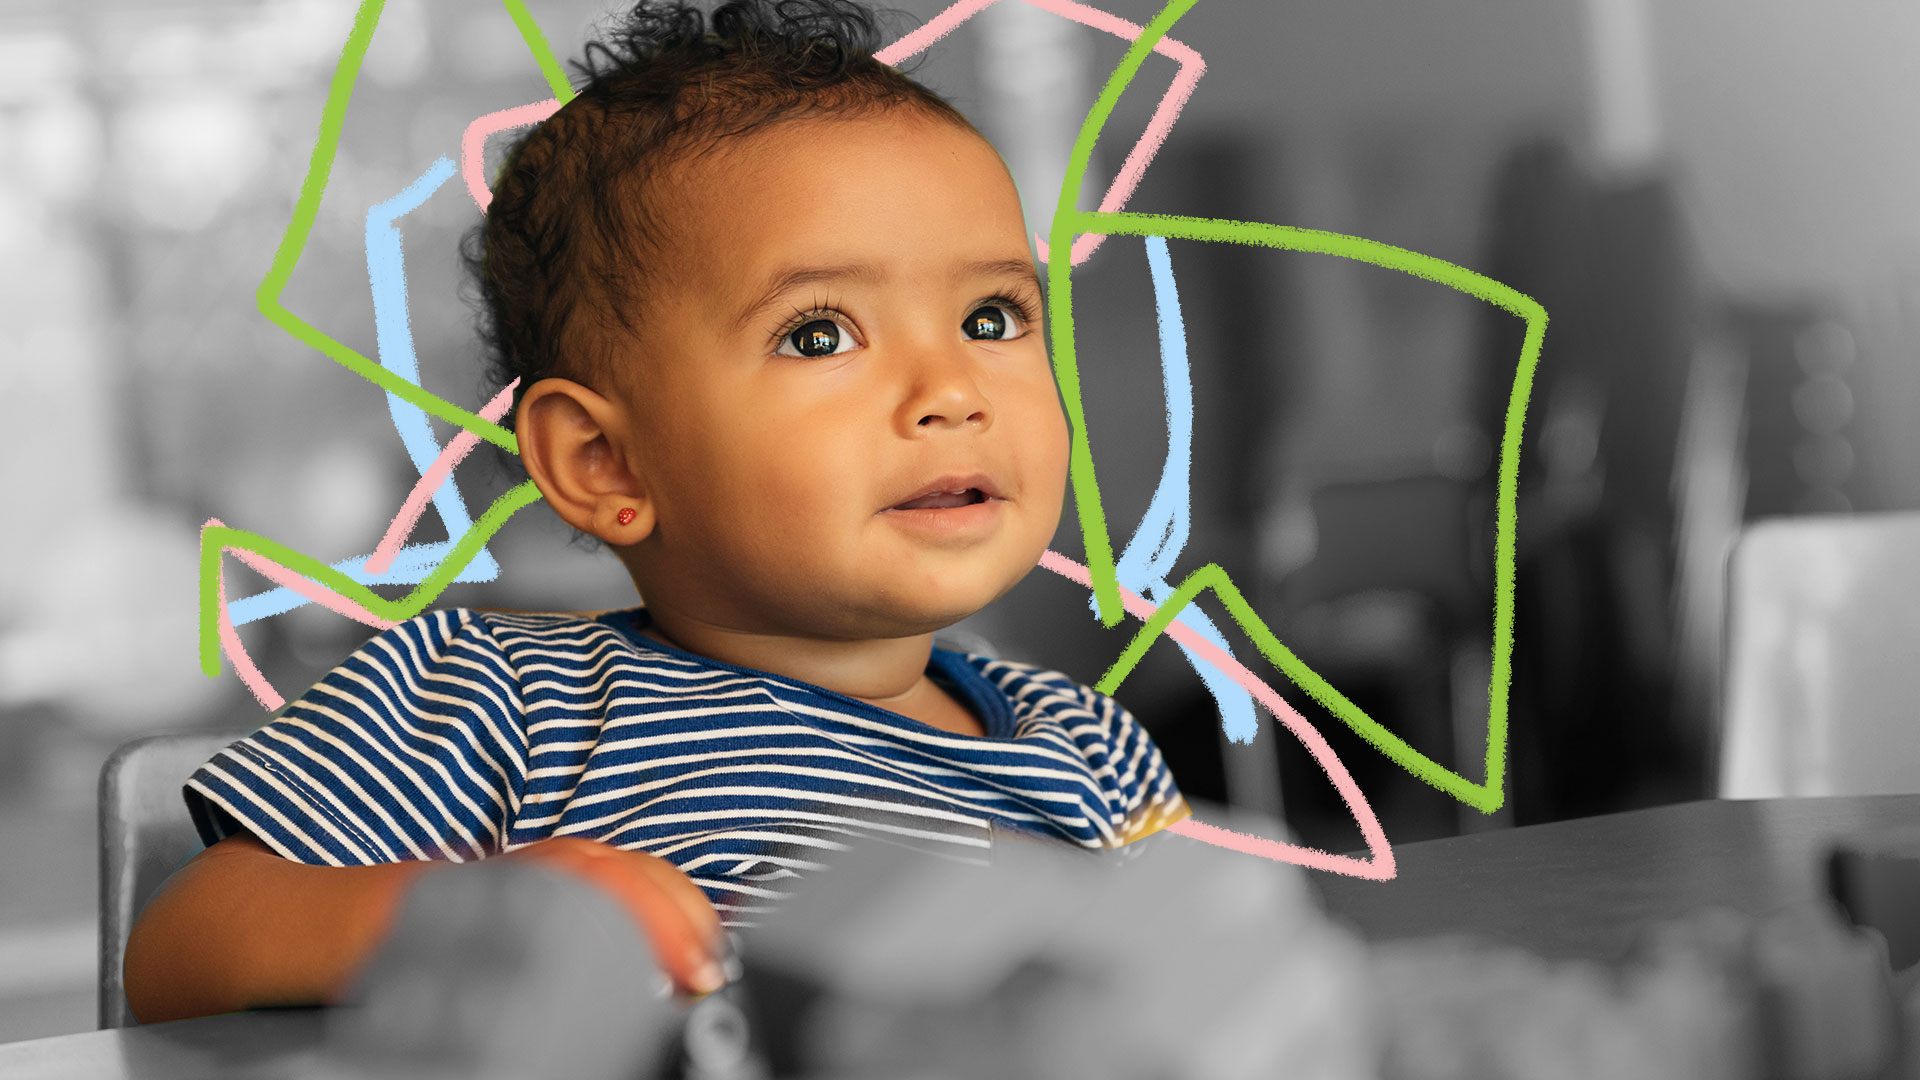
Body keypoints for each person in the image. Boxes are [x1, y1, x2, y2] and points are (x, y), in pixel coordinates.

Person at [123, 0, 1190, 1026]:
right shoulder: (492, 709)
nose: (952, 390)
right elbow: (179, 948)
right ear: (602, 463)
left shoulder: (1091, 751)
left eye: (991, 316)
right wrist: (462, 915)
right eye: (820, 334)